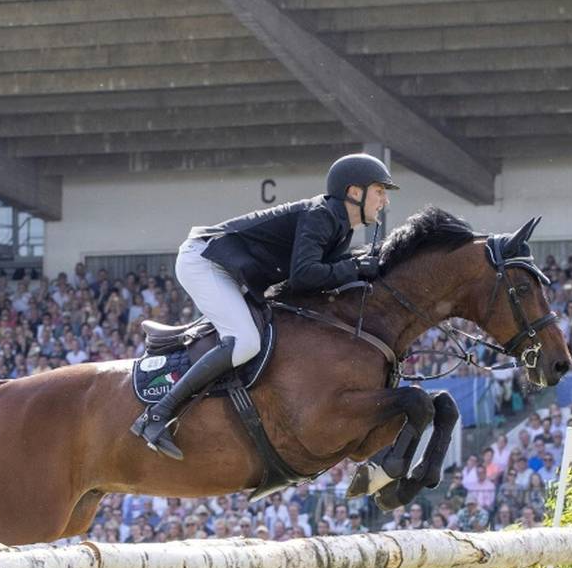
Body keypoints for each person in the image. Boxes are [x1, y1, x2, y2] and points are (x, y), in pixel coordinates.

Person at [131, 153, 397, 459]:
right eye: (380, 191)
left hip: (231, 269)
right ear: (354, 192)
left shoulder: (340, 227)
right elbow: (304, 275)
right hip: (205, 261)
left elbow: (322, 275)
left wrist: (358, 266)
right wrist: (355, 267)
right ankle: (157, 415)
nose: (385, 201)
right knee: (244, 341)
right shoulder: (321, 215)